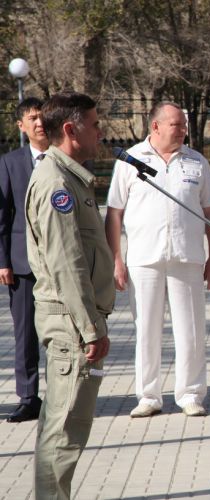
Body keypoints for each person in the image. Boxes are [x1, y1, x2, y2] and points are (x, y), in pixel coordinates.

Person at [105, 101, 210, 418]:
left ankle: (190, 394)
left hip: (187, 257)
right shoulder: (131, 160)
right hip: (144, 259)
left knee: (191, 331)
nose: (183, 130)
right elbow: (114, 214)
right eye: (176, 124)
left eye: (184, 124)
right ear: (155, 126)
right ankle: (148, 396)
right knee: (146, 330)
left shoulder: (196, 161)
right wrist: (116, 260)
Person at [26, 91, 114, 499]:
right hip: (71, 323)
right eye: (94, 125)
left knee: (66, 430)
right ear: (70, 129)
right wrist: (90, 327)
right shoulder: (56, 183)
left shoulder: (69, 176)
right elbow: (66, 263)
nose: (100, 132)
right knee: (62, 434)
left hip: (75, 320)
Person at [0, 97, 47, 423]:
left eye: (43, 117)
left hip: (59, 265)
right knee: (25, 336)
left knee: (63, 334)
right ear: (21, 125)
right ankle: (29, 398)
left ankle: (64, 395)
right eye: (32, 118)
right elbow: (3, 216)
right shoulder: (10, 163)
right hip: (22, 265)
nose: (39, 123)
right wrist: (3, 261)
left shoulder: (64, 158)